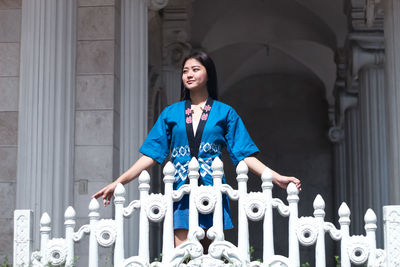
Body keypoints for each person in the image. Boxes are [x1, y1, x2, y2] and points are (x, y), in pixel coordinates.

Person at [93, 51, 301, 250]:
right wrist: (118, 182)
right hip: (181, 190)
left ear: (208, 73)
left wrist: (276, 178)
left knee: (210, 255)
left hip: (212, 188)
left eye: (195, 69)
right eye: (185, 71)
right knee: (183, 254)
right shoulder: (171, 113)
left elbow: (244, 155)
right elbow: (151, 155)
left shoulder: (224, 112)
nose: (189, 75)